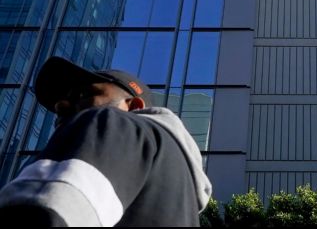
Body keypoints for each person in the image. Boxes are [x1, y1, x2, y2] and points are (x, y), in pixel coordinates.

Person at [0, 56, 212, 226]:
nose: (60, 106)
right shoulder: (181, 193)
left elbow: (45, 212)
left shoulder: (111, 121)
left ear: (134, 106)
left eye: (84, 94)